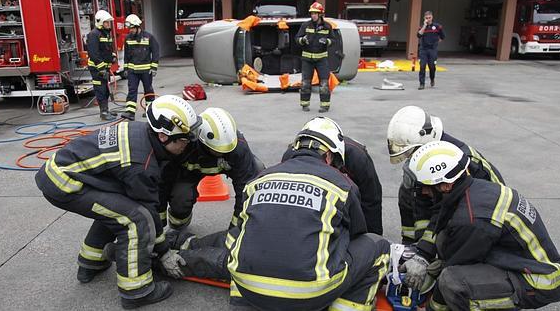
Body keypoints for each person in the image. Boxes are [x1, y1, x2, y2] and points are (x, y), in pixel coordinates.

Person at [35, 95, 201, 309]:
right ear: (162, 136)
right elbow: (149, 212)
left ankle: (90, 263)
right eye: (184, 140)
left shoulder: (142, 133)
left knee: (117, 209)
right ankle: (137, 291)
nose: (187, 145)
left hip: (65, 173)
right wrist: (164, 251)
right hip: (64, 184)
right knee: (135, 219)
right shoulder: (142, 163)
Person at [226, 117, 390, 311]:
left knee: (245, 236)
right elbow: (356, 234)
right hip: (310, 296)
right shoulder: (342, 185)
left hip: (247, 288)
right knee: (377, 245)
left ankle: (241, 305)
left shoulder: (259, 179)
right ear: (329, 155)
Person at [401, 141, 560, 310]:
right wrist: (423, 255)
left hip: (538, 282)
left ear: (446, 185)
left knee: (453, 282)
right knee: (444, 242)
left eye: (425, 187)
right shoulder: (471, 189)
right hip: (518, 259)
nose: (423, 193)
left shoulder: (471, 219)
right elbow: (441, 218)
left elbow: (454, 269)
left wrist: (430, 308)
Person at [387, 105, 504, 259]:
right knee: (408, 189)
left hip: (481, 218)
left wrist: (427, 253)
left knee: (446, 248)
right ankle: (412, 246)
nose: (410, 158)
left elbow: (446, 206)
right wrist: (416, 248)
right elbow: (421, 198)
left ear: (425, 139)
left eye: (412, 153)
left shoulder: (461, 162)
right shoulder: (431, 157)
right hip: (450, 204)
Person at [159, 107, 263, 231]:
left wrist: (235, 230)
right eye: (217, 151)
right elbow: (164, 182)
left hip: (227, 167)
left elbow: (244, 191)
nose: (222, 154)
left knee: (257, 174)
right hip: (189, 173)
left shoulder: (238, 148)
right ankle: (178, 224)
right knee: (181, 197)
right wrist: (159, 224)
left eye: (226, 151)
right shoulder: (185, 145)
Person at [283, 135, 383, 235]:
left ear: (330, 154)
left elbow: (371, 203)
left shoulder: (357, 158)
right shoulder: (290, 156)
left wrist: (372, 240)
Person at [295, 2, 335, 113]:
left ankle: (325, 105)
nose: (313, 15)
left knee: (324, 83)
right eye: (312, 13)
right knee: (306, 83)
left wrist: (327, 41)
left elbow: (334, 40)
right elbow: (296, 39)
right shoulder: (305, 25)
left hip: (322, 59)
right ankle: (304, 104)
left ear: (321, 14)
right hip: (307, 59)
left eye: (315, 13)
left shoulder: (327, 26)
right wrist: (302, 40)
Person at [121, 14, 160, 121]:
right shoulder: (128, 38)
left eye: (132, 28)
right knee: (132, 90)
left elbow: (155, 52)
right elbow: (126, 55)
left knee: (148, 89)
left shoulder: (149, 37)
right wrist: (125, 68)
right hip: (133, 71)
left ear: (138, 26)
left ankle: (150, 111)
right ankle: (130, 112)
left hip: (146, 70)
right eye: (129, 28)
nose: (130, 30)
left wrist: (154, 67)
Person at [87, 10, 117, 121]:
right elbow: (93, 54)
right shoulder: (93, 35)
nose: (108, 24)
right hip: (97, 69)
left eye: (109, 22)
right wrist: (101, 68)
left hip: (105, 68)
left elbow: (107, 49)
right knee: (100, 89)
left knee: (106, 89)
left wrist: (112, 56)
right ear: (100, 22)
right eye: (106, 22)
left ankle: (106, 110)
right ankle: (103, 113)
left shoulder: (105, 33)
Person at [417, 11, 444, 90]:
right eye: (426, 18)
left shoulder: (437, 26)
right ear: (424, 18)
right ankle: (422, 84)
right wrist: (424, 26)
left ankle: (432, 79)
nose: (428, 19)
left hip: (432, 50)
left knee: (432, 66)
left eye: (429, 18)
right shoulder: (422, 27)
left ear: (432, 17)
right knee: (422, 66)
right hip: (423, 50)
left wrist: (435, 43)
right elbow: (418, 35)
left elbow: (442, 37)